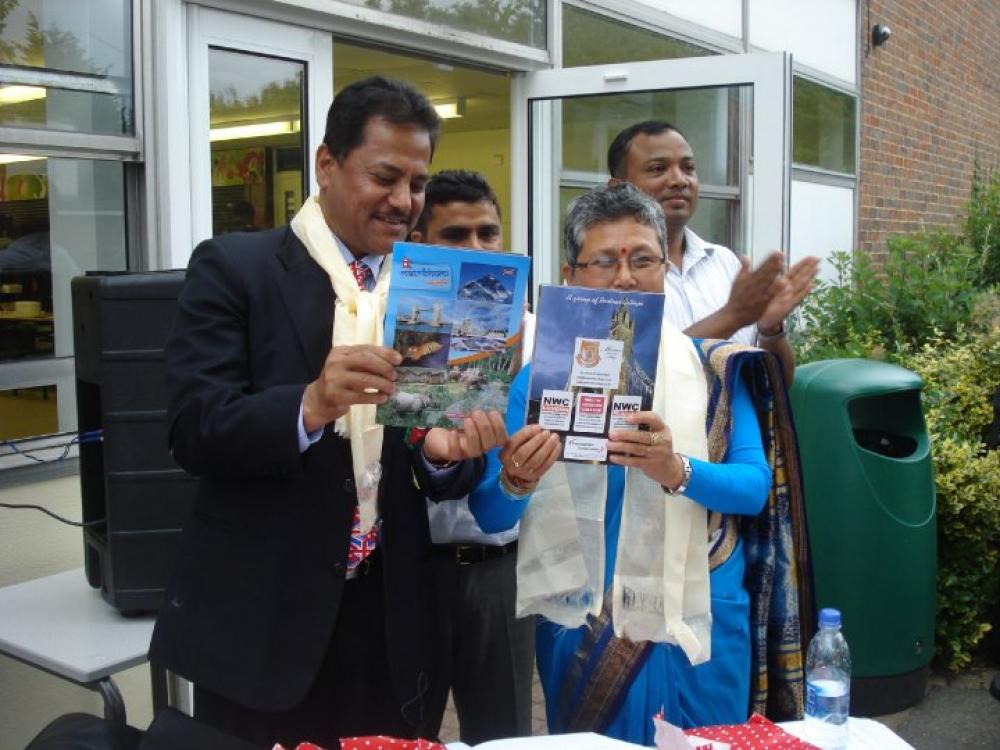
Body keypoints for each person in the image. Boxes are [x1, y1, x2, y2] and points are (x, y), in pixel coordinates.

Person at [149, 77, 508, 748]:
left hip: (391, 620)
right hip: (264, 626)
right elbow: (194, 428)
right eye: (385, 177)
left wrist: (442, 456)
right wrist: (310, 404)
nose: (403, 201)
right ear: (326, 164)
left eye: (417, 183)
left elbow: (436, 470)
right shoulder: (237, 268)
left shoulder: (434, 289)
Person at [467, 182, 812, 745]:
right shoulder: (536, 382)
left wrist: (675, 469)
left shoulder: (713, 369)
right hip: (580, 623)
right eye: (605, 261)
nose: (625, 277)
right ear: (571, 274)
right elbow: (489, 513)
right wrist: (516, 480)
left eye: (643, 260)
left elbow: (753, 487)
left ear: (665, 271)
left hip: (700, 617)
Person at [408, 170, 534, 744]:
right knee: (405, 730)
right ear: (420, 242)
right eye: (455, 235)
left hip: (499, 569)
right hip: (411, 568)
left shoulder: (536, 334)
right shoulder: (394, 331)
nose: (477, 247)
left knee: (503, 734)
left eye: (488, 233)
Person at [607, 120, 819, 383]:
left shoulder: (724, 262)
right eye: (658, 169)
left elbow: (777, 383)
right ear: (618, 188)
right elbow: (629, 376)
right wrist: (732, 316)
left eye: (688, 168)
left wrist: (770, 329)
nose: (679, 180)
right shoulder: (601, 273)